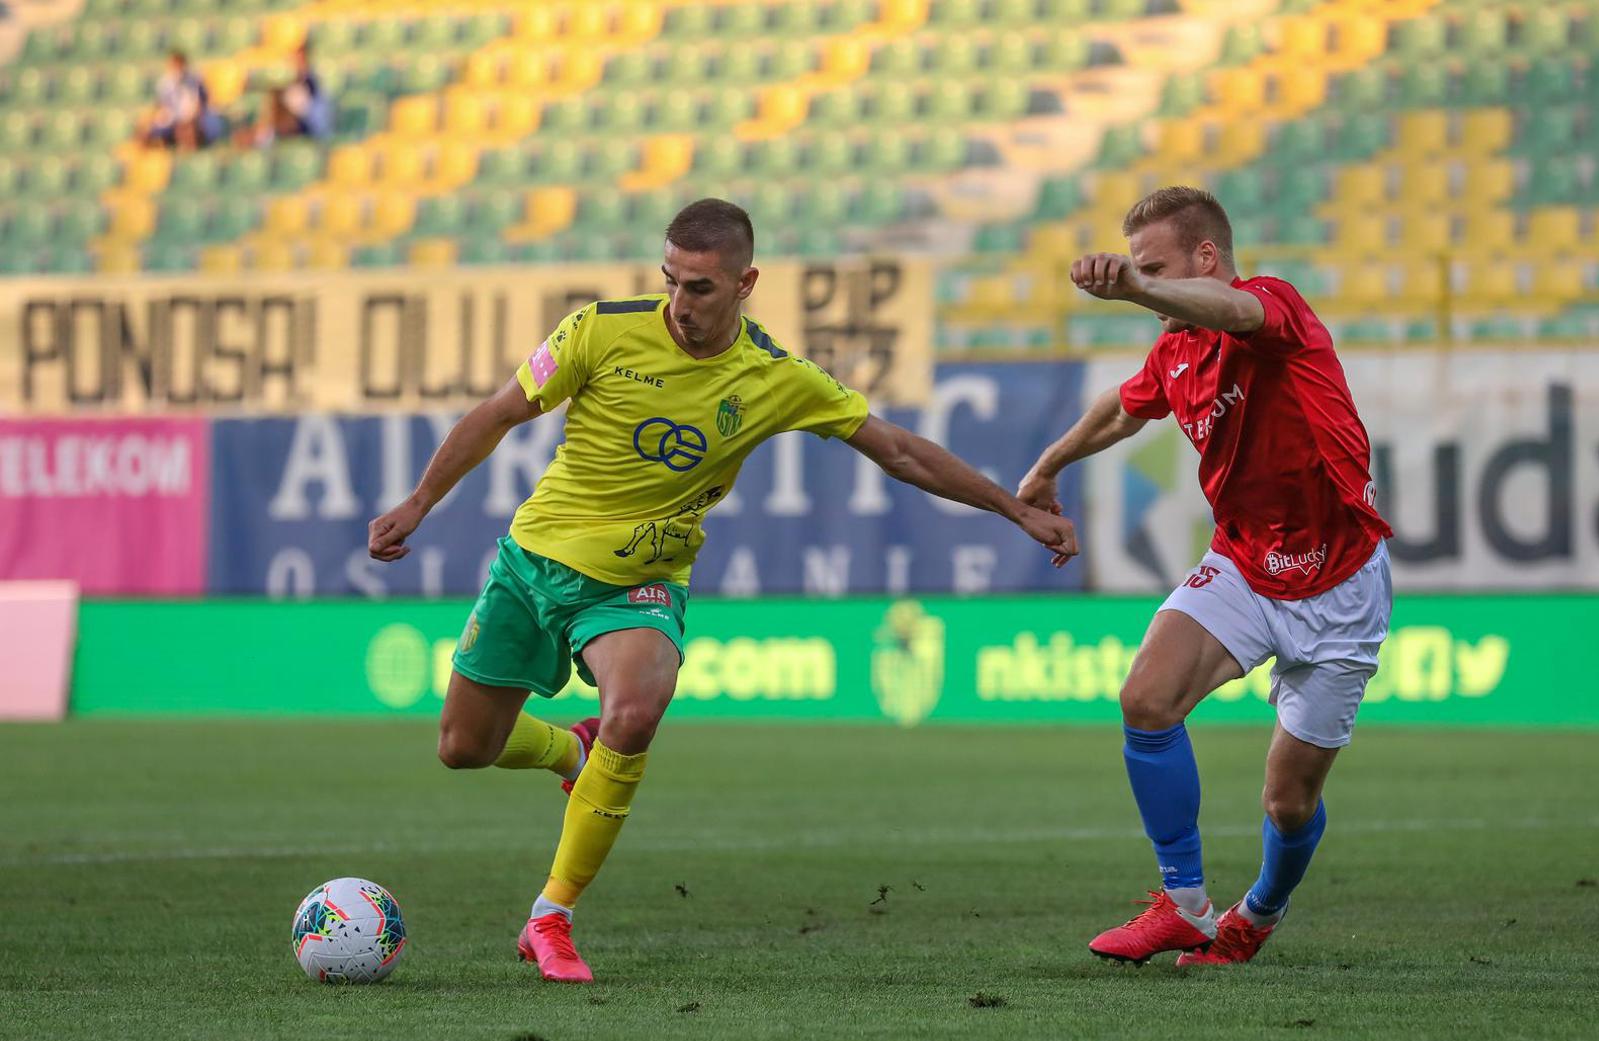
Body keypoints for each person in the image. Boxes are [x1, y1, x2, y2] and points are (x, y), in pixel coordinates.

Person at [369, 198, 1078, 984]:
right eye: (670, 281)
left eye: (701, 288)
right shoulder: (599, 330)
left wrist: (1015, 510)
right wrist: (417, 502)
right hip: (532, 561)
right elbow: (499, 413)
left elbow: (901, 451)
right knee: (464, 749)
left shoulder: (775, 377)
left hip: (639, 582)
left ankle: (551, 918)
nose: (680, 304)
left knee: (634, 713)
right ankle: (570, 749)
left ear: (747, 283)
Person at [1018, 186, 1393, 967]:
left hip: (1340, 584)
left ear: (1206, 260)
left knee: (1288, 803)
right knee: (1145, 699)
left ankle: (1259, 912)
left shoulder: (1271, 306)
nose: (1146, 288)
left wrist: (1137, 286)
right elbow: (1123, 412)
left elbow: (1240, 316)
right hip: (1245, 563)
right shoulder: (1176, 348)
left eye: (1157, 269)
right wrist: (1047, 468)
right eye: (1140, 273)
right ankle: (1185, 904)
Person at [236, 41, 330, 148]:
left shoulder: (312, 84)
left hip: (307, 134)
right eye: (292, 58)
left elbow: (320, 127)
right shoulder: (283, 82)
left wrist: (302, 108)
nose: (295, 62)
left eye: (298, 58)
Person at [139, 51, 222, 150]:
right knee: (148, 131)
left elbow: (200, 105)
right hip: (174, 119)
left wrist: (189, 121)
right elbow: (161, 105)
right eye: (173, 66)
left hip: (193, 120)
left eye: (178, 66)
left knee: (191, 130)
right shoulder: (165, 83)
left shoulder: (195, 80)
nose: (176, 70)